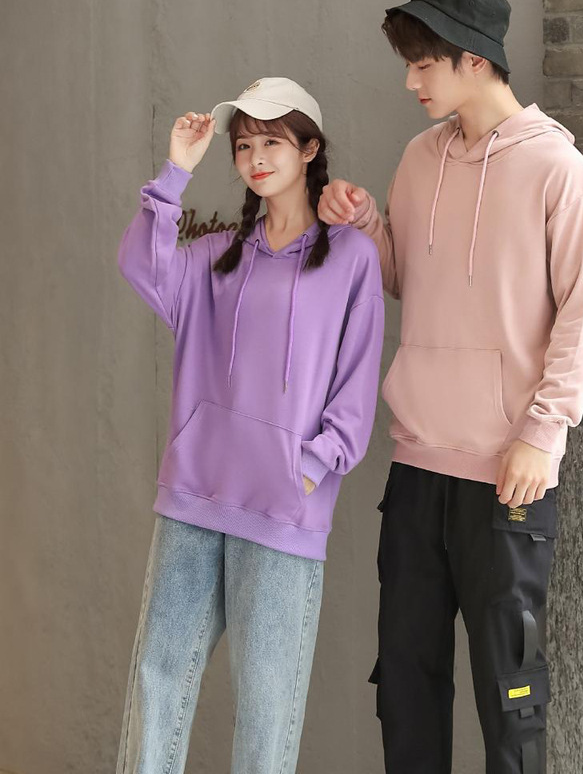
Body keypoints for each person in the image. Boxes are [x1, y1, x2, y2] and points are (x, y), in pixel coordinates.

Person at [318, 0, 583, 772]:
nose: (410, 81)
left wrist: (542, 434)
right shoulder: (419, 160)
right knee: (405, 688)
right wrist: (365, 224)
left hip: (508, 472)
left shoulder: (557, 170)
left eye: (423, 64)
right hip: (418, 464)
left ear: (474, 60)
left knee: (511, 698)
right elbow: (405, 279)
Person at [116, 77, 384, 774]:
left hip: (283, 511)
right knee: (158, 680)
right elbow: (141, 267)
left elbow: (356, 387)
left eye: (272, 142)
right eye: (243, 146)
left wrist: (310, 468)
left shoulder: (351, 258)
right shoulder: (215, 255)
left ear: (309, 149)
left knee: (266, 712)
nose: (255, 158)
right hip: (194, 498)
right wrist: (177, 170)